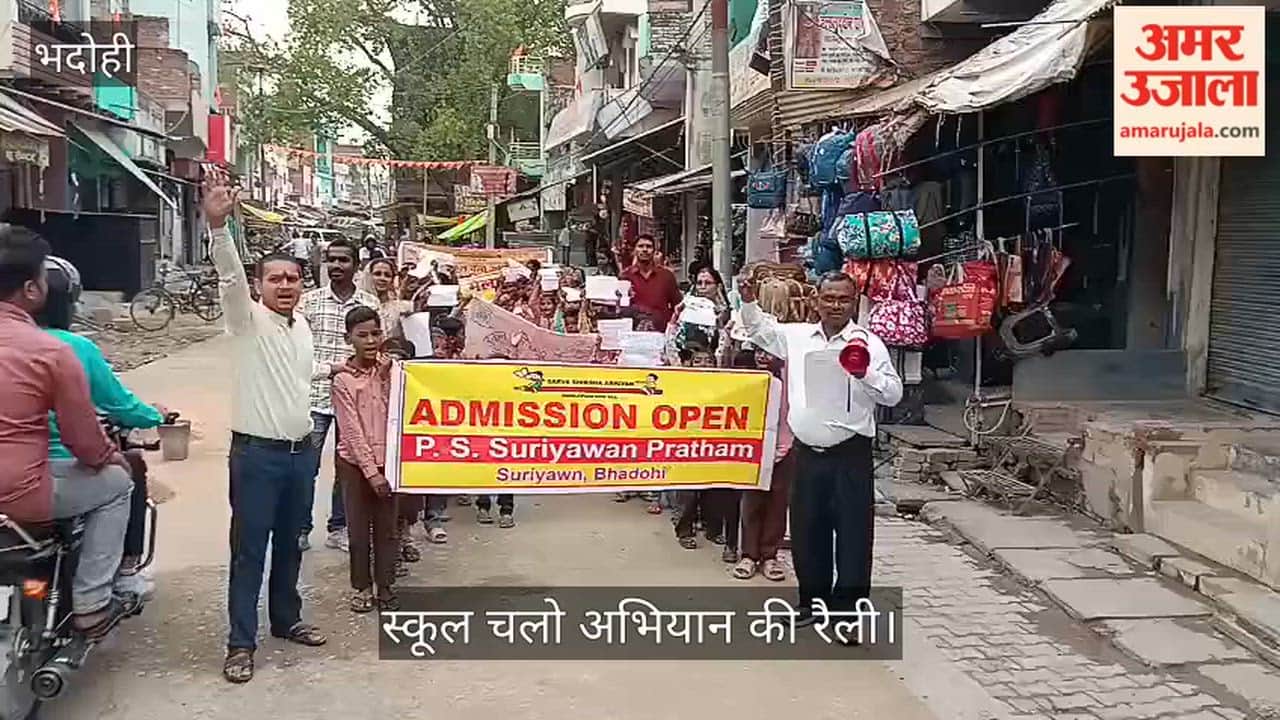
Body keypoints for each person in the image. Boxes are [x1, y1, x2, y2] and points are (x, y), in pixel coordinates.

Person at [204, 171, 328, 684]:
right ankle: (240, 642)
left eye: (292, 279)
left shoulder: (301, 326)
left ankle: (286, 619)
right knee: (249, 548)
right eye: (274, 279)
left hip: (301, 453)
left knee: (291, 542)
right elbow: (229, 277)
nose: (284, 286)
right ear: (259, 286)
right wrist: (218, 229)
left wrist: (336, 370)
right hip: (256, 456)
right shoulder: (245, 318)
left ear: (303, 285)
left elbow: (299, 376)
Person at [739, 270, 902, 630]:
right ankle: (812, 605)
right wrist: (748, 299)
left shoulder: (869, 344)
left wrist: (864, 375)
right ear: (816, 300)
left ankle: (847, 617)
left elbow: (893, 394)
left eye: (843, 299)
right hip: (807, 453)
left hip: (850, 454)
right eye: (828, 298)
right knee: (807, 531)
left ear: (855, 302)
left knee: (853, 538)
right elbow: (760, 332)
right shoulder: (797, 338)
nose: (835, 305)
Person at [0, 224, 135, 639]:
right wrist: (109, 457)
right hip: (20, 492)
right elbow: (85, 440)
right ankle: (92, 604)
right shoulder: (51, 350)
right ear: (32, 289)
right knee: (118, 483)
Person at [37, 256, 165, 599]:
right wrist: (155, 415)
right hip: (51, 473)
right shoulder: (73, 348)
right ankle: (109, 583)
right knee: (126, 472)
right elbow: (116, 408)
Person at [298, 237, 380, 553]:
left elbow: (377, 349)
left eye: (343, 260)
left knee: (347, 468)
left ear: (355, 266)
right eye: (330, 260)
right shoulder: (309, 302)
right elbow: (298, 350)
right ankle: (301, 528)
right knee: (307, 467)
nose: (335, 265)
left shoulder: (369, 304)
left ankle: (339, 527)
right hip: (315, 396)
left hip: (355, 401)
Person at [332, 306, 400, 613]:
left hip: (391, 460)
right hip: (355, 465)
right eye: (362, 335)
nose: (371, 341)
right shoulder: (342, 380)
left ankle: (385, 585)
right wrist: (372, 473)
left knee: (387, 529)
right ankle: (361, 586)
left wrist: (389, 376)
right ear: (349, 339)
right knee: (359, 531)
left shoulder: (392, 372)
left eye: (376, 334)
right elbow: (351, 431)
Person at [734, 345, 792, 582]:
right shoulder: (746, 379)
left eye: (769, 352)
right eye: (758, 351)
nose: (762, 356)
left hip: (786, 447)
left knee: (778, 503)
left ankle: (770, 556)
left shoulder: (792, 382)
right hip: (753, 450)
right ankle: (748, 555)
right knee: (751, 502)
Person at [621, 235, 681, 332]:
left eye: (648, 246)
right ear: (634, 250)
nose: (645, 250)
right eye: (641, 246)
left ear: (654, 251)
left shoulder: (667, 276)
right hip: (634, 333)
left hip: (662, 332)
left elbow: (677, 305)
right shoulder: (625, 276)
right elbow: (620, 307)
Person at [364, 257, 412, 338]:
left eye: (387, 275)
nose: (382, 278)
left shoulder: (401, 307)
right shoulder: (357, 304)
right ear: (369, 276)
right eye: (377, 274)